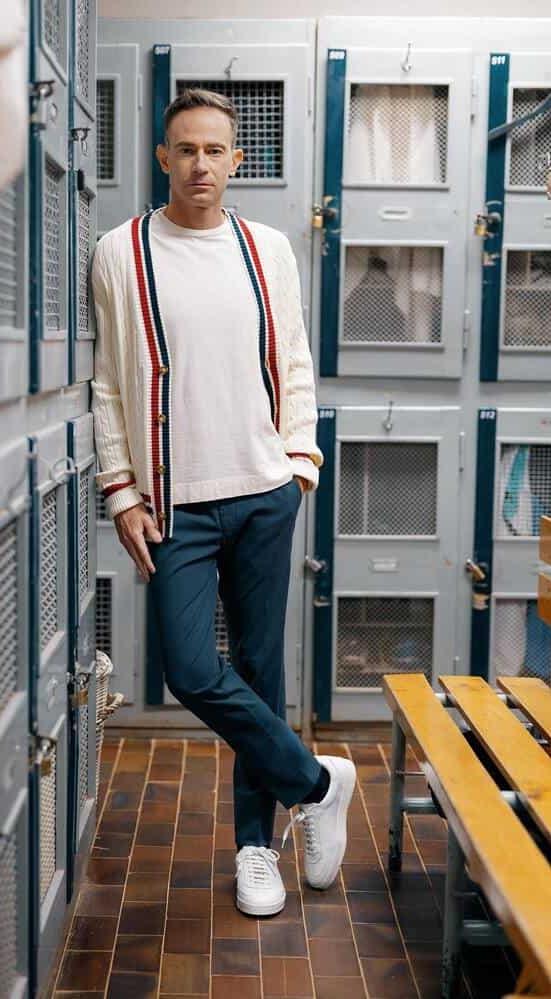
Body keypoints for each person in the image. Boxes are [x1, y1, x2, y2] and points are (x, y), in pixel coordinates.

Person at [90, 87, 356, 917]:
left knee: (260, 669)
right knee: (189, 668)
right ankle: (317, 783)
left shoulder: (268, 247)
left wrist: (301, 463)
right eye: (186, 150)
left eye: (216, 150)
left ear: (238, 161)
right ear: (162, 158)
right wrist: (123, 489)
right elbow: (106, 385)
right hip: (177, 505)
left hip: (264, 490)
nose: (200, 164)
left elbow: (296, 359)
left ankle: (255, 848)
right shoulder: (119, 251)